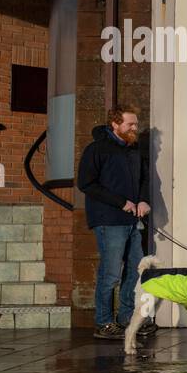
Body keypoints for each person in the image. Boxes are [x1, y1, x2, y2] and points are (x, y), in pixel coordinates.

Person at [77, 107, 156, 340]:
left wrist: (143, 200)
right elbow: (86, 183)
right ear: (115, 124)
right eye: (130, 124)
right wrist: (121, 202)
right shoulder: (96, 149)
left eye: (135, 124)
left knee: (135, 270)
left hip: (133, 220)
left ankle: (126, 318)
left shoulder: (132, 150)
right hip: (109, 220)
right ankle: (103, 323)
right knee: (111, 273)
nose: (135, 128)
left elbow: (143, 179)